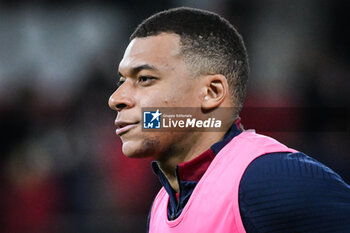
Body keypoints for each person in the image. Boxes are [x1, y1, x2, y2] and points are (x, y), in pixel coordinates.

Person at [108, 7, 350, 233]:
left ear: (211, 92)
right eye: (122, 82)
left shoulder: (267, 178)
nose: (116, 99)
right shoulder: (162, 205)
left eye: (145, 79)